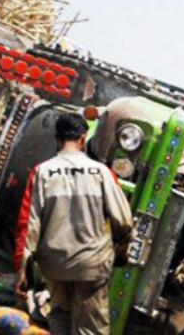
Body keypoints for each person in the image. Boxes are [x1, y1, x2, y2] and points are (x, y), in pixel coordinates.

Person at [14, 113, 133, 335]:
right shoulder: (102, 173)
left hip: (55, 264)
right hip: (92, 264)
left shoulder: (42, 172)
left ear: (57, 139)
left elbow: (29, 225)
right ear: (83, 138)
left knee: (60, 317)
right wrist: (121, 251)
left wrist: (23, 269)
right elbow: (123, 221)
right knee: (91, 327)